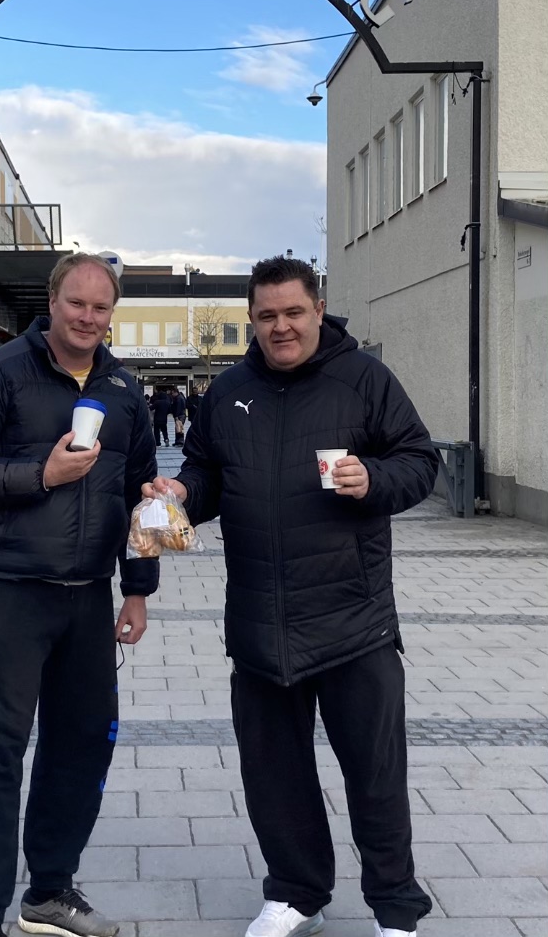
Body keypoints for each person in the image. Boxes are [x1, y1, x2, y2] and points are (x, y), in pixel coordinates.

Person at [144, 256, 437, 937]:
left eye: (293, 313)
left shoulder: (364, 379)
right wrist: (183, 494)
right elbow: (208, 471)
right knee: (275, 777)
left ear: (317, 308)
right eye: (267, 316)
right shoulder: (230, 390)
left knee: (375, 776)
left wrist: (376, 479)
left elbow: (419, 460)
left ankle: (395, 909)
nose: (281, 327)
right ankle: (298, 892)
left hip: (352, 621)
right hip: (259, 623)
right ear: (252, 319)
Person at [0, 253, 159, 937]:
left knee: (84, 744)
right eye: (76, 303)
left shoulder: (122, 387)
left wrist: (138, 589)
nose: (88, 317)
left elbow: (139, 491)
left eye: (101, 307)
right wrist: (41, 473)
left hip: (88, 598)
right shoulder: (3, 371)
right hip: (11, 596)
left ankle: (49, 894)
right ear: (52, 302)